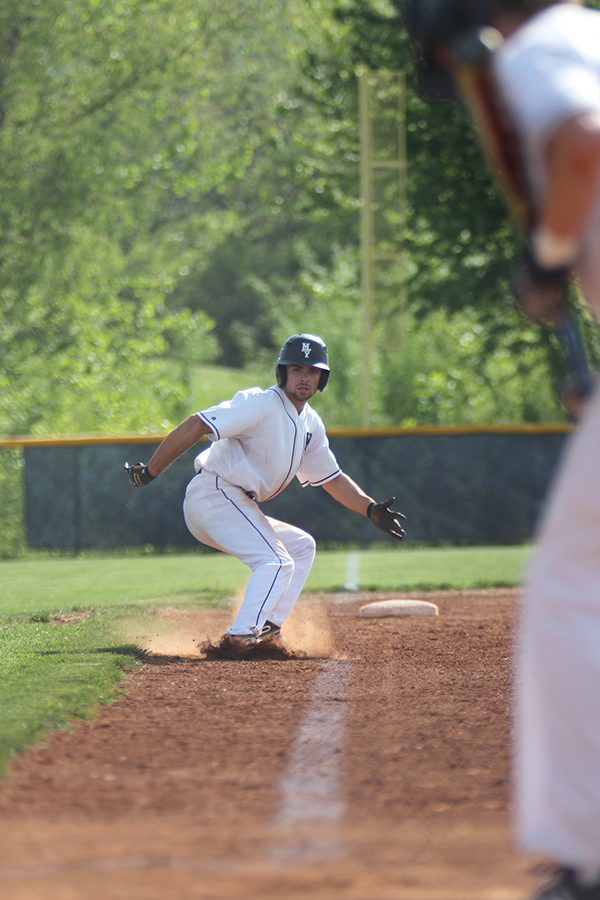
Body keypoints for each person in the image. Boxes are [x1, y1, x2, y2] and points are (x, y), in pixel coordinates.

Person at [401, 2, 600, 898]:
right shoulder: (589, 32)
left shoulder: (537, 48)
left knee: (569, 590)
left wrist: (549, 260)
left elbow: (586, 145)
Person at [125, 333, 406, 656]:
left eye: (312, 371)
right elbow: (197, 423)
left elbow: (332, 478)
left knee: (300, 547)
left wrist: (369, 509)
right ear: (283, 372)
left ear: (321, 378)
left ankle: (268, 628)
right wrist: (151, 470)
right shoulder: (260, 404)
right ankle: (241, 636)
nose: (304, 377)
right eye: (297, 369)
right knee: (276, 561)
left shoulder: (310, 423)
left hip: (236, 503)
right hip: (215, 494)